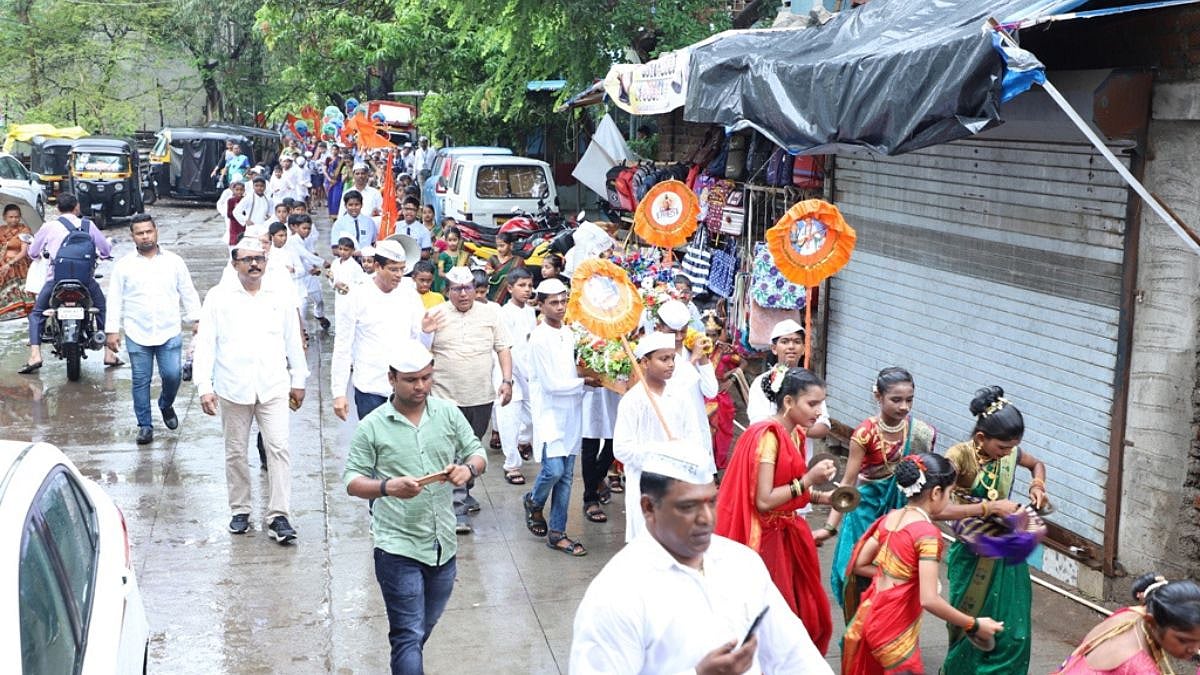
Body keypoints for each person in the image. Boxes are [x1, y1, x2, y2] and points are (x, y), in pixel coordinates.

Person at [569, 441, 833, 675]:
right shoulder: (616, 594)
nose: (707, 518)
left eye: (711, 502)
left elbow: (794, 656)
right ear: (648, 508)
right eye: (688, 506)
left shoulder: (742, 563)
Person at [342, 341, 487, 675]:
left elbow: (475, 451)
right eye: (411, 379)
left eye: (426, 377)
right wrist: (387, 488)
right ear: (392, 378)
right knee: (407, 634)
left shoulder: (447, 412)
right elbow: (352, 481)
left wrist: (469, 469)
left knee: (418, 632)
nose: (421, 386)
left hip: (442, 546)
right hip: (397, 547)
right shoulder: (373, 426)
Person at [842, 454, 1005, 675]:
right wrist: (973, 624)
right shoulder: (927, 535)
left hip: (871, 616)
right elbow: (929, 599)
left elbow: (860, 564)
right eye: (950, 493)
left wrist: (900, 578)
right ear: (936, 493)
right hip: (895, 630)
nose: (949, 499)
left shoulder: (890, 518)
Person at [193, 236, 308, 544]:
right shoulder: (218, 297)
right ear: (235, 264)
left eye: (259, 258)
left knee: (279, 449)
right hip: (233, 387)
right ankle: (240, 510)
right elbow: (205, 343)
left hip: (273, 385)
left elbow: (292, 340)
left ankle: (279, 515)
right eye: (247, 259)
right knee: (235, 452)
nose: (254, 264)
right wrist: (204, 385)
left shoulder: (279, 295)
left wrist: (299, 379)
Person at [715, 366, 838, 654]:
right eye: (812, 403)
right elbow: (765, 500)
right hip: (764, 541)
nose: (819, 411)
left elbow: (788, 489)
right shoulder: (767, 436)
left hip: (787, 533)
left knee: (799, 613)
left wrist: (822, 498)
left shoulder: (795, 434)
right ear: (788, 402)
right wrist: (809, 480)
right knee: (772, 618)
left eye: (821, 403)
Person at [941, 386, 1047, 675]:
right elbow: (939, 509)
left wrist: (1037, 485)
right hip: (972, 554)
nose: (1008, 454)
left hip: (1007, 554)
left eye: (1012, 448)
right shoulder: (958, 458)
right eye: (1002, 448)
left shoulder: (1009, 454)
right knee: (969, 626)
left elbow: (1036, 464)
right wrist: (991, 508)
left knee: (1014, 631)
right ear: (980, 438)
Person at [827, 367, 936, 615]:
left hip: (899, 511)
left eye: (909, 400)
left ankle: (889, 627)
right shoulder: (865, 433)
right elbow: (848, 482)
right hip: (865, 511)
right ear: (878, 397)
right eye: (896, 400)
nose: (904, 407)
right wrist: (830, 527)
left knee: (898, 568)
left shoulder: (918, 431)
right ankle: (860, 628)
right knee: (856, 572)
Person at [429, 266, 513, 534]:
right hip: (445, 397)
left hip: (480, 396)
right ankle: (456, 509)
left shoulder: (491, 313)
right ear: (448, 290)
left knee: (473, 449)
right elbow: (422, 350)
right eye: (457, 289)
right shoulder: (436, 314)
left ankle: (465, 488)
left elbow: (503, 348)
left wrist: (507, 381)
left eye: (467, 288)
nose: (463, 294)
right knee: (451, 450)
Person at [104, 214, 201, 445]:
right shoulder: (124, 266)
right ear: (132, 236)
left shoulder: (174, 261)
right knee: (140, 380)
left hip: (169, 329)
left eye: (149, 231)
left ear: (156, 231)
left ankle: (166, 404)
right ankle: (145, 426)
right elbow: (115, 298)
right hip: (137, 331)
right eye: (140, 233)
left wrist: (197, 318)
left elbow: (187, 290)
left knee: (172, 375)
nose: (145, 236)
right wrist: (112, 330)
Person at [522, 278, 593, 556]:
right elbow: (551, 385)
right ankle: (533, 500)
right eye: (553, 302)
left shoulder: (570, 332)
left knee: (565, 477)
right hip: (550, 411)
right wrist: (585, 383)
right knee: (554, 470)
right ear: (540, 305)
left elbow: (574, 367)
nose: (561, 307)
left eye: (564, 301)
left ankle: (557, 533)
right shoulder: (539, 338)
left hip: (572, 410)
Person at [612, 330, 703, 541]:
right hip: (645, 483)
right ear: (645, 362)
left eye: (672, 358)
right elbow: (622, 448)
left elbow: (694, 437)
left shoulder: (680, 396)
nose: (671, 364)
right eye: (663, 359)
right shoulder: (632, 401)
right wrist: (660, 454)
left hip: (679, 481)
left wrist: (684, 456)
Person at [332, 238, 436, 422]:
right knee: (375, 446)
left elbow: (419, 345)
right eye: (393, 269)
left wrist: (427, 332)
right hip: (370, 387)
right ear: (378, 266)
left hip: (404, 388)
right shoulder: (356, 295)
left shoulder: (409, 294)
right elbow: (342, 346)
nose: (399, 275)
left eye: (402, 269)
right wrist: (339, 392)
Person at [22, 192, 118, 373]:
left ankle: (35, 354)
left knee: (37, 313)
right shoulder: (88, 225)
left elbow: (33, 253)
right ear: (77, 207)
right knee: (102, 308)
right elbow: (105, 251)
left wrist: (36, 252)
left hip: (55, 281)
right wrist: (106, 250)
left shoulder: (49, 226)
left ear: (57, 209)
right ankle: (109, 353)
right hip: (85, 281)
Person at [747, 319, 829, 516]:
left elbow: (824, 425)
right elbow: (759, 426)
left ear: (803, 348)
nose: (791, 346)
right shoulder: (762, 383)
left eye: (796, 341)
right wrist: (794, 427)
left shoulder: (811, 384)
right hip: (771, 469)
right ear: (774, 348)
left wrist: (797, 427)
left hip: (800, 463)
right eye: (785, 341)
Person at [1054, 573, 1200, 673]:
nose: (1194, 649)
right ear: (1152, 621)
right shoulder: (1140, 668)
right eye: (1184, 640)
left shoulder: (1131, 616)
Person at [657, 299, 719, 462]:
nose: (678, 337)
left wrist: (703, 358)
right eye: (672, 332)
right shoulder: (653, 355)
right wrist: (694, 359)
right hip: (667, 431)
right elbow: (672, 388)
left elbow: (711, 391)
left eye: (683, 331)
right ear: (659, 327)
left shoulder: (692, 348)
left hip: (696, 429)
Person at [494, 267, 536, 485]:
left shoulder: (530, 311)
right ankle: (511, 465)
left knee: (530, 418)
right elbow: (509, 348)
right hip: (508, 374)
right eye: (521, 285)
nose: (527, 290)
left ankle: (522, 442)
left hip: (528, 373)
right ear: (510, 288)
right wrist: (510, 378)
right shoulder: (503, 313)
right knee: (509, 419)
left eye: (529, 285)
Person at [704, 314, 741, 470]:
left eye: (714, 335)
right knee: (706, 434)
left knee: (720, 434)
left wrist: (730, 379)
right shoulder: (698, 350)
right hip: (703, 397)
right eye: (707, 334)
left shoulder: (725, 351)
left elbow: (742, 363)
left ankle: (716, 467)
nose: (710, 338)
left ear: (719, 335)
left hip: (720, 398)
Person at [0, 203, 34, 320]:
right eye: (11, 217)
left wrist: (9, 263)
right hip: (3, 261)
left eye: (17, 217)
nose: (14, 219)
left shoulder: (24, 230)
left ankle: (19, 306)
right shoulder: (1, 230)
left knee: (9, 269)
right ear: (4, 217)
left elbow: (24, 252)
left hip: (18, 262)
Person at [486, 231, 525, 303]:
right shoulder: (493, 259)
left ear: (511, 245)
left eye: (502, 246)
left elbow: (523, 279)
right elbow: (486, 273)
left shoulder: (518, 261)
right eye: (497, 246)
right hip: (492, 298)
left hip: (510, 300)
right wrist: (488, 272)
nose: (499, 249)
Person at [434, 225, 466, 294]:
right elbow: (440, 273)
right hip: (446, 286)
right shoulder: (443, 255)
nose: (452, 243)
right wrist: (451, 276)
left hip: (460, 284)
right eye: (450, 240)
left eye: (455, 240)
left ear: (459, 240)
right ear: (446, 240)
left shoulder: (462, 254)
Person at [225, 180, 246, 245]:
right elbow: (229, 214)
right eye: (237, 190)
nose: (239, 192)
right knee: (234, 241)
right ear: (233, 190)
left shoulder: (246, 199)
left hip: (243, 224)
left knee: (243, 240)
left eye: (241, 190)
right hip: (234, 224)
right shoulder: (230, 200)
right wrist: (236, 212)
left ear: (244, 190)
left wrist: (242, 214)